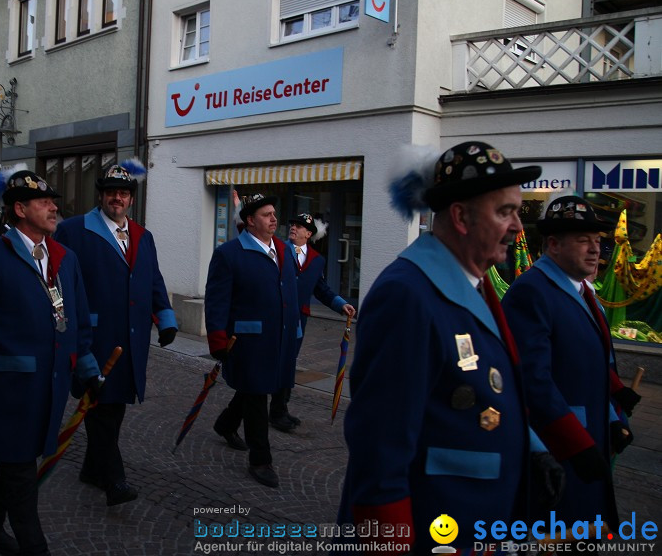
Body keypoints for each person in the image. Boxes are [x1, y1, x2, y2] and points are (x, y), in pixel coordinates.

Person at [336, 142, 562, 554]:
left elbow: (487, 393)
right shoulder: (407, 295)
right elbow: (379, 447)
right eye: (505, 212)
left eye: (517, 211)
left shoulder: (477, 281)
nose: (518, 228)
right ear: (460, 216)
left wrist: (531, 448)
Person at [0, 169, 101, 556]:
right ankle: (35, 547)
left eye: (54, 202)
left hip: (50, 386)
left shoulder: (65, 259)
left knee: (19, 459)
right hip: (10, 390)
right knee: (20, 472)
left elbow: (77, 320)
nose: (54, 208)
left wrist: (87, 370)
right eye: (44, 202)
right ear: (19, 209)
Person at [502, 195, 641, 527]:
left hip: (588, 439)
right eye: (583, 241)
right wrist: (575, 443)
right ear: (553, 244)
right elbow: (533, 381)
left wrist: (611, 411)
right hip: (559, 448)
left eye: (597, 241)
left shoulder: (582, 291)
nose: (595, 250)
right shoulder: (532, 291)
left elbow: (590, 364)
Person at [54, 161, 177, 506]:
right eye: (111, 192)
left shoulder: (143, 235)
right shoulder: (74, 231)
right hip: (94, 338)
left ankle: (92, 468)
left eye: (123, 193)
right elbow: (61, 286)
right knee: (100, 408)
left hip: (132, 341)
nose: (117, 198)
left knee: (114, 406)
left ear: (131, 199)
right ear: (101, 196)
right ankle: (114, 479)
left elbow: (153, 279)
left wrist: (165, 317)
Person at [205, 194, 301, 488]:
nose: (274, 219)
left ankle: (225, 424)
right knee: (257, 395)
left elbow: (289, 294)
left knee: (253, 388)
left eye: (274, 214)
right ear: (250, 220)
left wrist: (295, 329)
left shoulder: (283, 249)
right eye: (266, 215)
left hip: (280, 337)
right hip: (247, 340)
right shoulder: (229, 254)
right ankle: (261, 460)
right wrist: (218, 339)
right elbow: (217, 301)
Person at [269, 213, 356, 432]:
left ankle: (280, 410)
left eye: (299, 226)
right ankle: (264, 410)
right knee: (272, 361)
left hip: (298, 320)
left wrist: (340, 304)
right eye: (293, 224)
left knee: (289, 362)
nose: (294, 228)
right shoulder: (277, 249)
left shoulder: (317, 260)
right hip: (275, 316)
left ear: (309, 234)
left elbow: (321, 289)